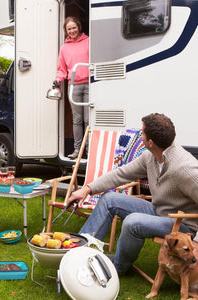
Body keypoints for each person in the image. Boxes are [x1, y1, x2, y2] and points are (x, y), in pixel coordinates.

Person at [68, 113, 198, 274]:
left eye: (142, 133)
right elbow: (120, 174)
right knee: (109, 199)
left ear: (150, 142)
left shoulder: (184, 168)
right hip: (159, 212)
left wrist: (196, 242)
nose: (140, 135)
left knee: (132, 221)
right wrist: (87, 189)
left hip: (183, 225)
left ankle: (118, 266)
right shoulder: (150, 156)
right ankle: (79, 252)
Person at [55, 16, 89, 160]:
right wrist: (58, 79)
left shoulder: (88, 42)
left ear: (79, 27)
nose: (72, 31)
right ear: (66, 31)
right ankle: (77, 151)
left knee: (88, 119)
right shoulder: (64, 48)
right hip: (73, 85)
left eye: (74, 27)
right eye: (69, 29)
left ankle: (89, 150)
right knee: (77, 120)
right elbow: (61, 69)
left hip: (89, 84)